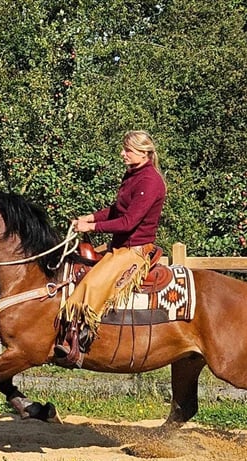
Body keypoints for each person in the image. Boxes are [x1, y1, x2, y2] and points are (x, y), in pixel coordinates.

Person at [54, 130, 167, 365]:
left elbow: (129, 222)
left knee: (93, 284)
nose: (122, 153)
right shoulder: (133, 175)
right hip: (120, 247)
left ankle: (79, 340)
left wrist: (92, 226)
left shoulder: (150, 181)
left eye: (128, 150)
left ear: (144, 153)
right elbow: (117, 210)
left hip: (134, 250)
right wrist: (90, 216)